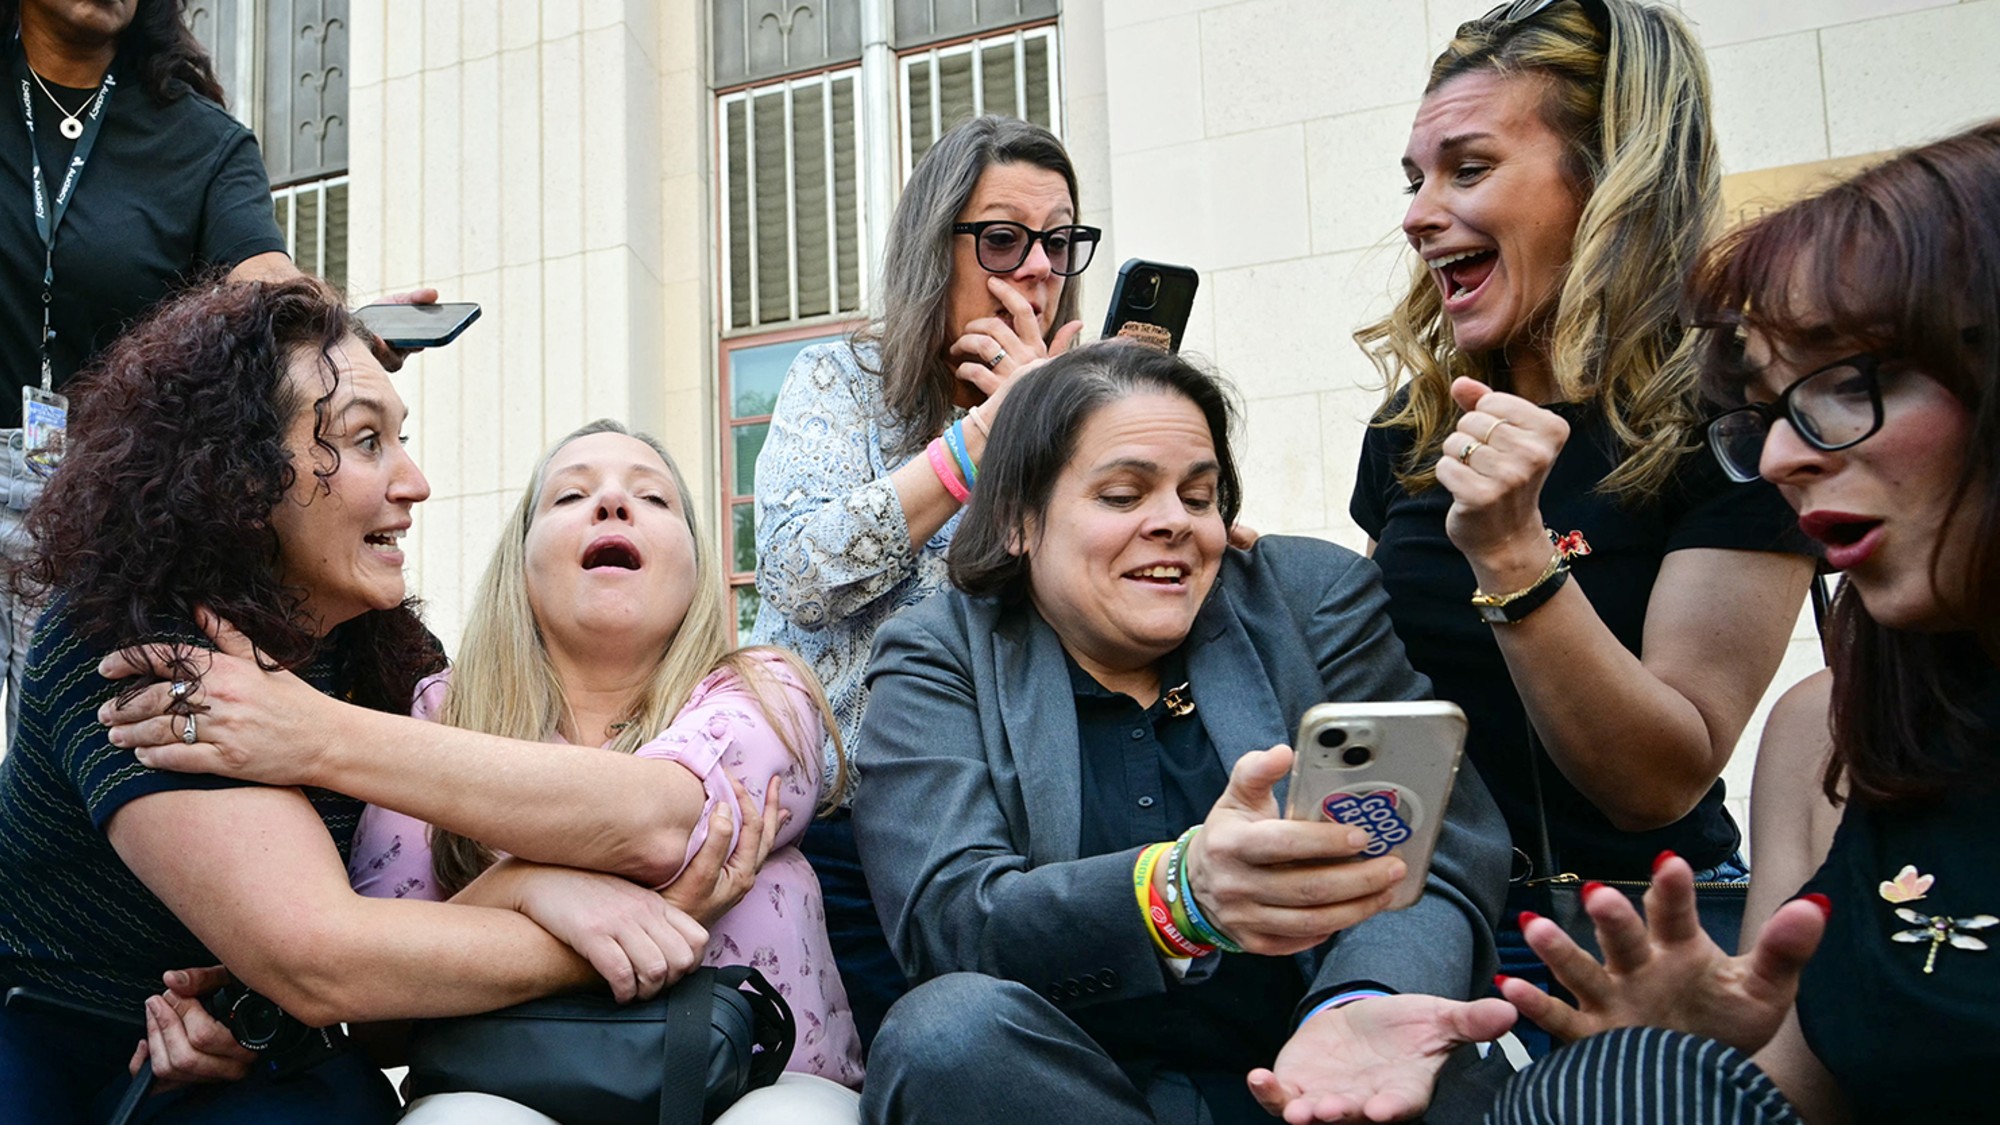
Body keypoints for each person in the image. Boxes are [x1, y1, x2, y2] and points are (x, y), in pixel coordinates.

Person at [0, 280, 726, 1123]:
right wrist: (633, 921)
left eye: (401, 440)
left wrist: (310, 734)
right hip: (42, 1033)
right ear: (238, 471)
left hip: (249, 1047)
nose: (414, 483)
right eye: (366, 441)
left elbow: (652, 821)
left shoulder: (390, 658)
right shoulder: (136, 639)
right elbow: (324, 961)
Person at [853, 344, 1516, 1125]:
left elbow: (1435, 849)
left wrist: (1361, 997)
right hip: (1073, 1093)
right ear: (1018, 520)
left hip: (1319, 1076)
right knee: (942, 1037)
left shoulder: (1309, 600)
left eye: (1199, 497)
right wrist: (1180, 895)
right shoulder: (939, 653)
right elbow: (953, 921)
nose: (1172, 522)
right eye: (1124, 493)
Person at [1488, 119, 2000, 1123]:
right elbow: (1804, 1090)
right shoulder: (1831, 734)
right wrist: (1675, 1065)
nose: (1778, 459)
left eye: (1849, 384)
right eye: (1763, 411)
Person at [1347, 0, 1815, 1014]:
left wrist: (1514, 555)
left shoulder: (1731, 421)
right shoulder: (1409, 429)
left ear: (1606, 179)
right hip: (1428, 936)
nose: (1418, 213)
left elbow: (1659, 778)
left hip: (1636, 960)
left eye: (1466, 169)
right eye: (1413, 177)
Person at [337, 419, 864, 1119]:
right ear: (519, 560)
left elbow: (661, 827)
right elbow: (376, 1012)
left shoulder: (766, 692)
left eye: (652, 497)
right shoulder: (441, 716)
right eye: (569, 495)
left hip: (764, 1087)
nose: (613, 504)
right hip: (506, 1090)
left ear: (697, 563)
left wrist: (523, 885)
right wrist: (522, 888)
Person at [749, 113, 1096, 1041]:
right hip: (847, 823)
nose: (1036, 268)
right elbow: (796, 571)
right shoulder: (842, 380)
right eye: (1003, 239)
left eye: (1059, 242)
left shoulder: (1080, 414)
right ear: (933, 247)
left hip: (1018, 831)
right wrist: (982, 441)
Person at [0, 0, 300, 742]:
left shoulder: (201, 141)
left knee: (78, 754)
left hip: (101, 499)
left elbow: (262, 276)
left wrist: (329, 321)